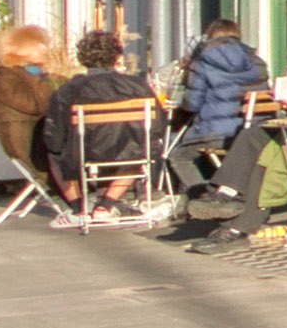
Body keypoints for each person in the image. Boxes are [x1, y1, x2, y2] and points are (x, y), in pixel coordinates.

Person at [172, 16, 275, 232]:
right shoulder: (256, 61)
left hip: (215, 133)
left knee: (178, 155)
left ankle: (203, 195)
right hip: (251, 131)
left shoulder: (202, 61)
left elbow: (191, 104)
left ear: (210, 37)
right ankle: (220, 194)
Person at [38, 25, 156, 210]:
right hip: (128, 151)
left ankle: (78, 208)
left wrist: (56, 147)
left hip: (84, 151)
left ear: (83, 59)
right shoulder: (137, 86)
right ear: (116, 57)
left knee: (55, 155)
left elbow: (54, 138)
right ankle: (106, 205)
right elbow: (156, 128)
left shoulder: (69, 90)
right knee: (141, 151)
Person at [0, 23, 66, 194]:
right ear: (20, 50)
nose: (45, 49)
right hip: (29, 142)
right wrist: (43, 79)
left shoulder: (31, 73)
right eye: (37, 45)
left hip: (43, 135)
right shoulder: (4, 78)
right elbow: (37, 106)